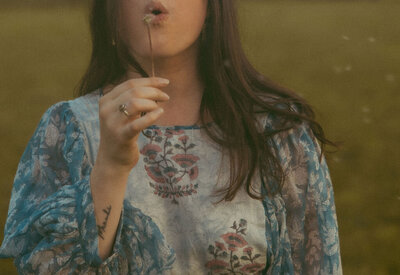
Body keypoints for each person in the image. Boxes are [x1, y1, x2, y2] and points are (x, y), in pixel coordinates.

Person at [0, 0, 342, 274]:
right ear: (111, 11)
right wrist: (111, 167)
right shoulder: (68, 131)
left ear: (212, 8)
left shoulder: (278, 134)